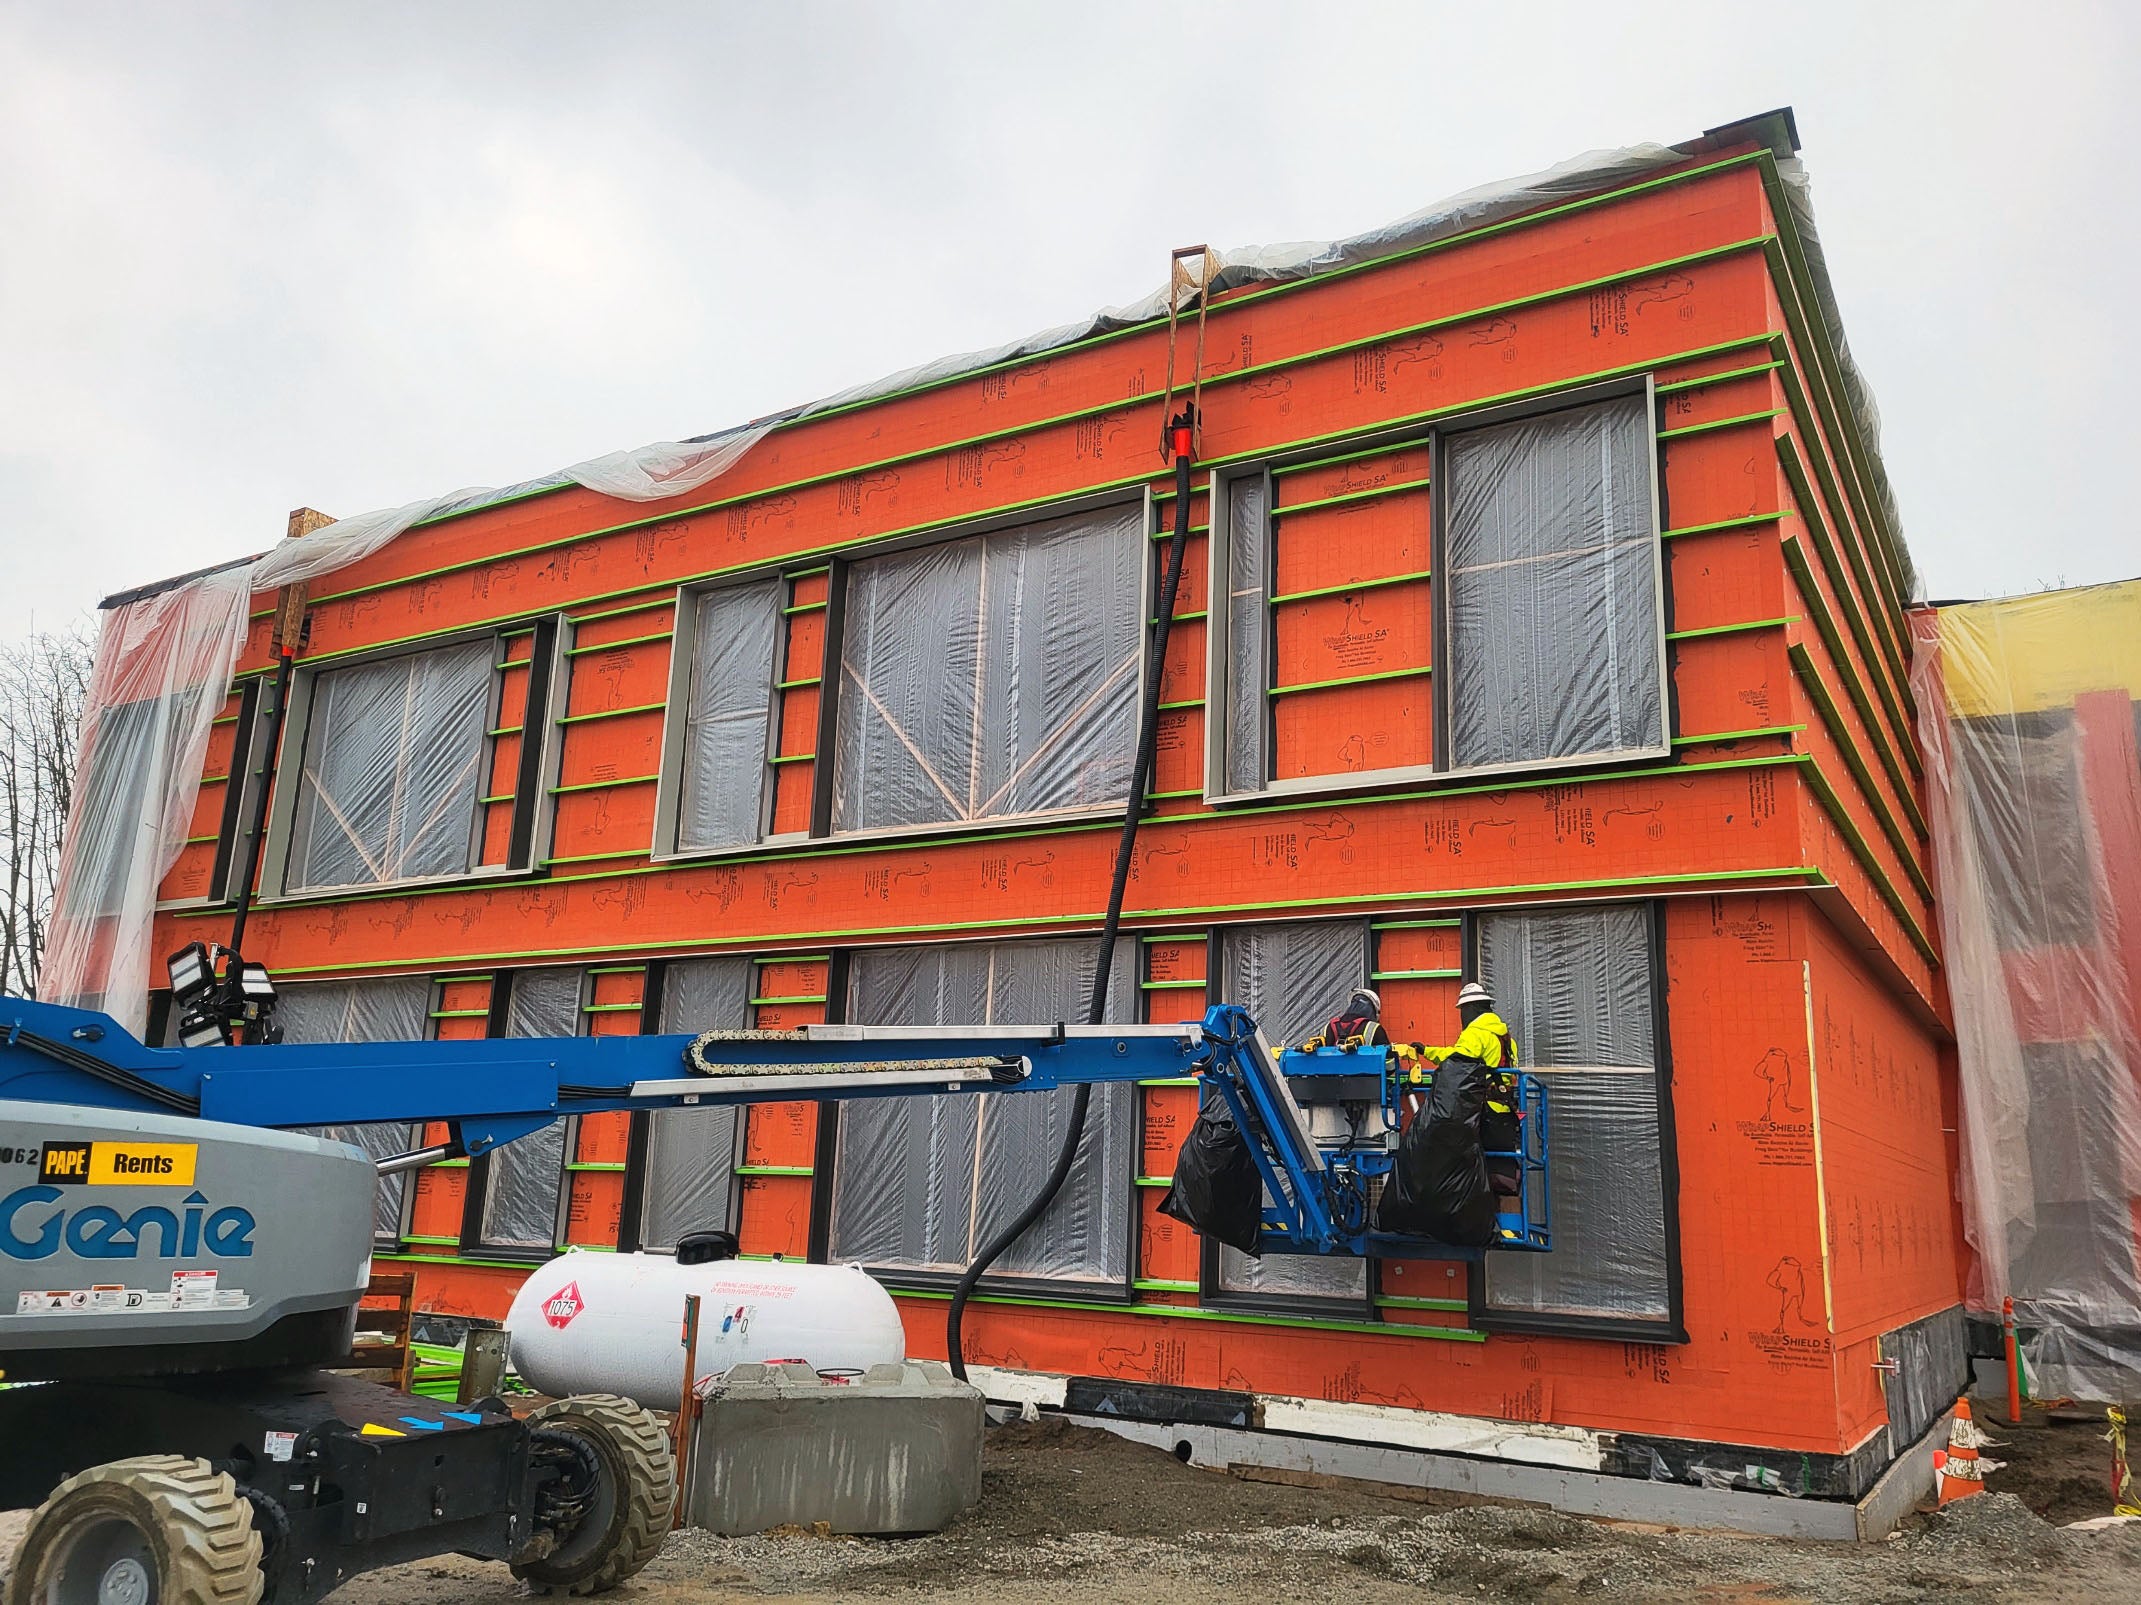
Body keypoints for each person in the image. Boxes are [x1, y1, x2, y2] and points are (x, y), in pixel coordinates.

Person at [1405, 981, 1522, 1195]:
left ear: (1471, 1009)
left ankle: (1475, 1225)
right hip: (1505, 1112)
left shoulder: (1476, 1033)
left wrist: (1427, 1052)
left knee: (1466, 1168)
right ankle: (1510, 1227)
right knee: (1504, 1175)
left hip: (1482, 1113)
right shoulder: (1506, 1037)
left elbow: (1455, 1061)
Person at [1297, 986, 1386, 1052]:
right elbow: (1389, 1065)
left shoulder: (1327, 1028)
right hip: (1366, 1077)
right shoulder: (1374, 1029)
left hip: (1329, 1077)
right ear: (1373, 1010)